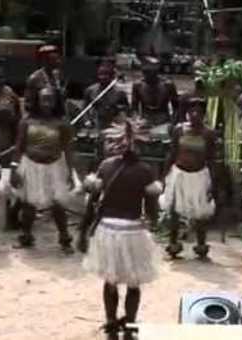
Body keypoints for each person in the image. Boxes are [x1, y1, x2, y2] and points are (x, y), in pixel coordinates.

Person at [81, 117, 162, 340]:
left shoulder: (106, 167)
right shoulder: (145, 171)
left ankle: (110, 323)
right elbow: (152, 208)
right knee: (134, 282)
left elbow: (92, 203)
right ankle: (130, 324)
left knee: (111, 280)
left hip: (107, 230)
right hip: (133, 230)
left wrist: (84, 229)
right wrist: (153, 224)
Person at [10, 87, 75, 254]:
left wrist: (71, 172)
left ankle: (64, 238)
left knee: (58, 204)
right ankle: (26, 236)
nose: (47, 103)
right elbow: (19, 146)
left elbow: (68, 149)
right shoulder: (27, 121)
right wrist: (14, 168)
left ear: (56, 102)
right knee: (28, 204)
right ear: (37, 101)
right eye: (43, 99)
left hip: (55, 167)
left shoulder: (62, 123)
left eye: (50, 99)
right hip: (30, 165)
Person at [160, 97, 216, 260]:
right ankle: (173, 245)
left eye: (198, 112)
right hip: (179, 175)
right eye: (191, 111)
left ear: (204, 114)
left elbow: (211, 159)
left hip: (199, 176)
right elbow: (172, 153)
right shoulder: (179, 130)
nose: (194, 115)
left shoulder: (209, 133)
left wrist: (212, 183)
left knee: (200, 214)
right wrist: (164, 176)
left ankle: (201, 245)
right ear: (186, 114)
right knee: (174, 211)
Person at [131, 57, 179, 127]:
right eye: (145, 71)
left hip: (164, 121)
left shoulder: (168, 85)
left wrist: (172, 123)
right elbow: (134, 108)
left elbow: (176, 108)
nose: (147, 74)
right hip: (144, 121)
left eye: (150, 71)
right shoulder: (138, 85)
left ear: (156, 71)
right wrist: (137, 120)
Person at [83, 62, 129, 130]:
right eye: (100, 74)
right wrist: (87, 120)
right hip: (98, 122)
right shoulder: (90, 90)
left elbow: (126, 108)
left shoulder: (120, 92)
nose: (102, 77)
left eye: (105, 74)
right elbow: (85, 108)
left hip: (115, 123)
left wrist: (119, 109)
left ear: (111, 76)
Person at [24, 45, 65, 114]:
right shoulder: (34, 78)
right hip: (40, 120)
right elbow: (28, 104)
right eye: (54, 59)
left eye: (58, 58)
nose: (58, 61)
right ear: (45, 61)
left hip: (57, 118)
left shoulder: (58, 75)